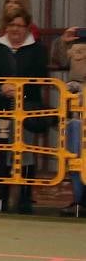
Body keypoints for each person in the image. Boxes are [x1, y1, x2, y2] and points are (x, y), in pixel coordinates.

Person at [0, 9, 49, 214]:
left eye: (19, 26)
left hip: (28, 110)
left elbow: (41, 78)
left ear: (27, 27)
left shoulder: (38, 50)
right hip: (0, 108)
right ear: (6, 27)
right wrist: (0, 87)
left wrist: (20, 89)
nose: (15, 29)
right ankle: (1, 199)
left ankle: (25, 200)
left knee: (27, 154)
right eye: (11, 25)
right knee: (3, 153)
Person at [50, 26, 85, 216]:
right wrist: (62, 42)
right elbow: (58, 60)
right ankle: (79, 200)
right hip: (78, 107)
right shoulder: (77, 40)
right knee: (75, 154)